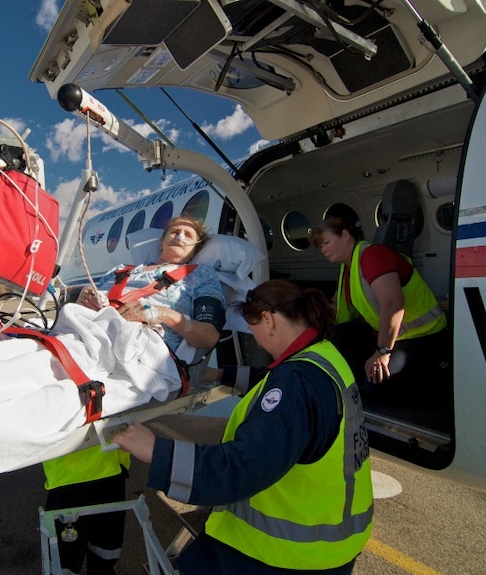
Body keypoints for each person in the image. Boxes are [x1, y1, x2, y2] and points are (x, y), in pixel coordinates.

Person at [112, 279, 373, 574]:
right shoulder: (324, 357)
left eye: (254, 331)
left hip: (283, 554)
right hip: (332, 542)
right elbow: (272, 381)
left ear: (269, 320)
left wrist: (157, 451)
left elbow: (241, 467)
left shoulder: (295, 384)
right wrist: (221, 373)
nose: (257, 342)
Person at [43, 215, 226, 575]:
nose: (178, 235)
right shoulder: (126, 272)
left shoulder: (199, 278)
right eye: (174, 230)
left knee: (59, 394)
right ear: (161, 241)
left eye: (188, 234)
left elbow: (208, 336)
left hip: (144, 354)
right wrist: (89, 302)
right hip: (96, 338)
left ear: (195, 249)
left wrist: (160, 314)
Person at [308, 204, 448, 396]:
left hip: (421, 336)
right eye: (320, 246)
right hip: (389, 334)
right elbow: (338, 307)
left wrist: (382, 352)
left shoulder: (372, 256)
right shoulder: (348, 268)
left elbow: (393, 304)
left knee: (375, 387)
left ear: (346, 236)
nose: (323, 250)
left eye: (326, 242)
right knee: (334, 340)